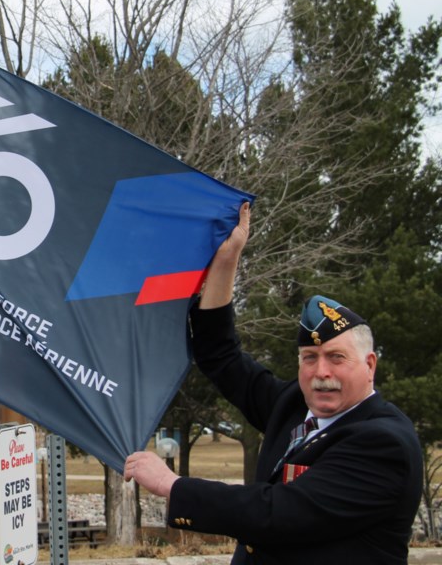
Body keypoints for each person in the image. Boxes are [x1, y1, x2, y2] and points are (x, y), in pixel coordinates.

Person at [124, 203, 422, 564]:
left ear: (369, 364)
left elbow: (279, 512)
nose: (321, 372)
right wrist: (228, 258)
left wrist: (174, 486)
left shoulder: (383, 442)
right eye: (309, 358)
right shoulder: (295, 405)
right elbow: (221, 356)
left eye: (336, 357)